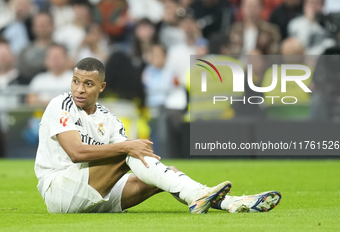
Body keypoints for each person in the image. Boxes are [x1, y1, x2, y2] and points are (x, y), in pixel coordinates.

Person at [34, 57, 281, 214]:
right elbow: (76, 153)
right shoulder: (60, 105)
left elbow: (130, 155)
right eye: (76, 81)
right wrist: (130, 148)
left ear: (101, 87)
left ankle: (231, 203)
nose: (79, 88)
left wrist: (134, 150)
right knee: (128, 149)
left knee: (168, 174)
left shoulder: (108, 118)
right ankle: (199, 195)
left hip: (96, 194)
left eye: (88, 83)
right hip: (59, 192)